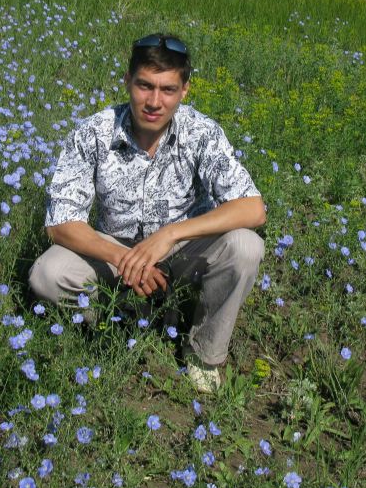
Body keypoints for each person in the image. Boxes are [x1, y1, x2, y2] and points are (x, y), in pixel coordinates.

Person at [29, 34, 266, 393]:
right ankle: (121, 318)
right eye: (144, 86)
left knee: (246, 247)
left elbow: (253, 207)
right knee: (47, 275)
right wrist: (126, 259)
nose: (155, 101)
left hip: (183, 250)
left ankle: (203, 353)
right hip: (114, 250)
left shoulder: (201, 132)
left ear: (185, 90)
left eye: (168, 89)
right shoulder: (93, 131)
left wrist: (170, 234)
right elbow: (61, 224)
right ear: (127, 81)